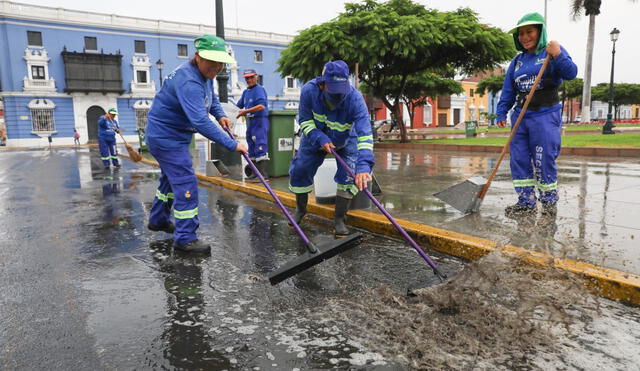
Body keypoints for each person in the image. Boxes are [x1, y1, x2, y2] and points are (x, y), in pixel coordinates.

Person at [145, 34, 248, 254]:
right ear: (198, 56)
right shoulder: (189, 80)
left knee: (169, 180)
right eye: (212, 61)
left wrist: (220, 115)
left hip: (171, 136)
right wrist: (231, 144)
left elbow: (210, 100)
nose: (217, 67)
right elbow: (199, 120)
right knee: (185, 183)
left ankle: (158, 220)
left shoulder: (204, 76)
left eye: (220, 62)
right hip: (166, 138)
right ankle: (185, 238)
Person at [496, 12, 577, 217]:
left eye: (529, 32)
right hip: (521, 117)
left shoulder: (550, 52)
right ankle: (526, 201)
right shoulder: (516, 62)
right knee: (519, 159)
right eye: (521, 33)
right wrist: (501, 113)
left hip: (545, 115)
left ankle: (549, 202)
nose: (524, 37)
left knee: (543, 159)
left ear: (539, 32)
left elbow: (571, 73)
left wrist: (558, 54)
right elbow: (508, 91)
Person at [289, 60, 374, 237]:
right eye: (333, 89)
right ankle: (300, 209)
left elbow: (365, 133)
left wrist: (364, 165)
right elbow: (304, 120)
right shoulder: (308, 91)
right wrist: (319, 138)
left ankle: (340, 219)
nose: (338, 96)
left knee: (348, 176)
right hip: (315, 137)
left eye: (340, 90)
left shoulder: (355, 99)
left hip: (346, 140)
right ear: (322, 84)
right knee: (300, 169)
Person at [236, 68, 270, 182]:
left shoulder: (259, 90)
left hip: (259, 120)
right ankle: (254, 173)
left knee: (260, 144)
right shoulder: (246, 92)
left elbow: (261, 106)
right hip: (250, 121)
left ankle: (262, 174)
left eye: (251, 77)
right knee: (251, 145)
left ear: (256, 77)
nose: (249, 80)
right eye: (247, 78)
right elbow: (238, 106)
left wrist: (245, 112)